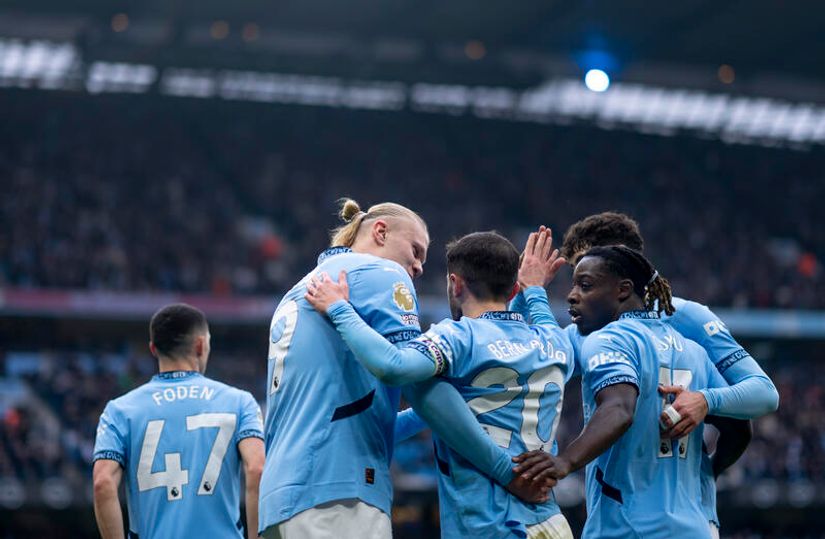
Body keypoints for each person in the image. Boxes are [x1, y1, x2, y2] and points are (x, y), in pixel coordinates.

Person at [259, 200, 543, 539]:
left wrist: (462, 397)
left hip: (284, 496)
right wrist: (505, 470)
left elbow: (359, 421)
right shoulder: (381, 273)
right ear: (380, 232)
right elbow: (415, 380)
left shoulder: (299, 290)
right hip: (340, 492)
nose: (420, 266)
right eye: (416, 250)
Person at [305, 227, 574, 538]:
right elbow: (534, 314)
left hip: (490, 524)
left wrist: (340, 310)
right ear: (515, 289)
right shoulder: (553, 340)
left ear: (455, 283)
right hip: (551, 522)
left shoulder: (458, 337)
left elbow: (393, 366)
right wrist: (535, 289)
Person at [555, 211, 777, 536]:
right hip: (658, 520)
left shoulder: (688, 317)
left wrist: (705, 401)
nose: (576, 295)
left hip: (657, 518)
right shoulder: (590, 328)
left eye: (588, 278)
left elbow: (764, 393)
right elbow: (538, 361)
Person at [523, 246, 728, 537]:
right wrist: (709, 473)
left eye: (585, 285)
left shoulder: (609, 338)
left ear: (623, 290)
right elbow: (739, 429)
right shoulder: (694, 351)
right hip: (693, 527)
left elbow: (619, 410)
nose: (572, 295)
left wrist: (564, 462)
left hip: (628, 528)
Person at [93, 303, 265, 539]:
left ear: (153, 349)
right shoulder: (240, 402)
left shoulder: (120, 410)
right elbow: (257, 469)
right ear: (201, 345)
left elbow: (102, 483)